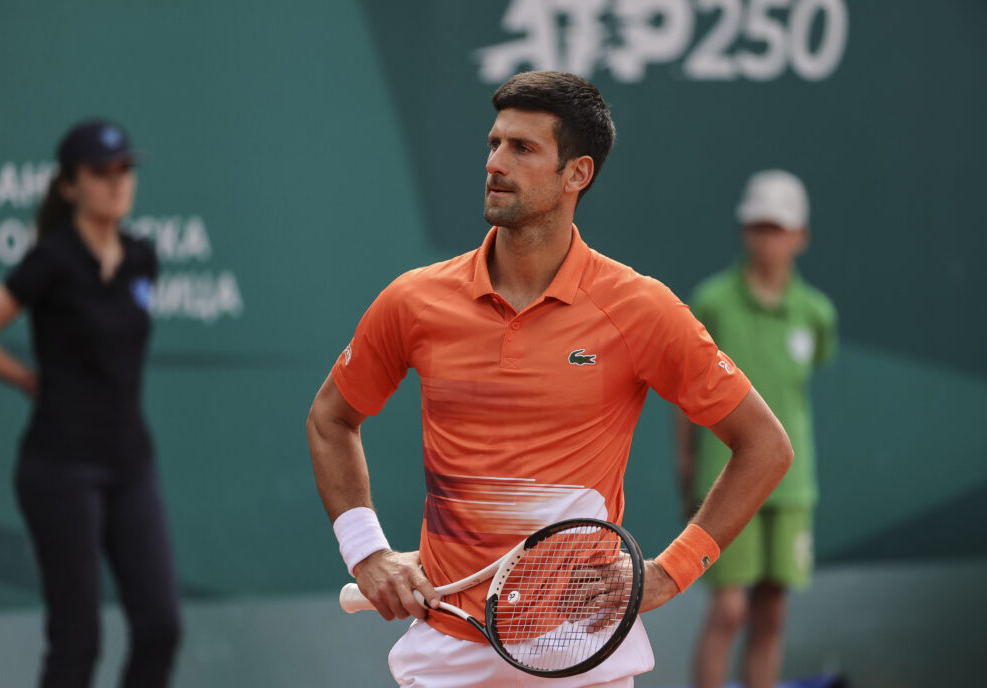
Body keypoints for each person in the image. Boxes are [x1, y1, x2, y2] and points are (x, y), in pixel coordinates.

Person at [307, 71, 793, 688]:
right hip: (444, 654)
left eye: (523, 148)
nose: (495, 163)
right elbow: (330, 418)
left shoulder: (640, 309)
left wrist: (669, 573)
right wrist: (367, 552)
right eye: (494, 144)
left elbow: (765, 446)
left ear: (577, 174)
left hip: (583, 654)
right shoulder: (414, 301)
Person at [0, 119, 181, 687]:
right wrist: (24, 377)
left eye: (123, 170)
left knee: (160, 626)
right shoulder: (52, 260)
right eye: (99, 172)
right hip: (60, 467)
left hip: (131, 463)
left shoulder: (142, 257)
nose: (116, 183)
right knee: (77, 640)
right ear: (68, 186)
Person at [675, 170, 837, 688]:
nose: (769, 238)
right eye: (759, 226)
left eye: (779, 227)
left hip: (791, 486)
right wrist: (688, 471)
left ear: (801, 236)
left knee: (771, 616)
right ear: (746, 229)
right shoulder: (712, 302)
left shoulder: (816, 314)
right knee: (728, 612)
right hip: (724, 482)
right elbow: (686, 398)